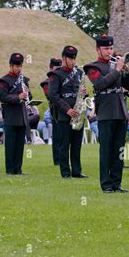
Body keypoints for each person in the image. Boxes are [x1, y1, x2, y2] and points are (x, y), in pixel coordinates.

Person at [84, 34, 129, 193]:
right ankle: (106, 184)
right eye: (106, 48)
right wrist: (118, 70)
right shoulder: (93, 67)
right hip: (105, 111)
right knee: (106, 149)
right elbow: (100, 84)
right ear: (98, 49)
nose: (109, 51)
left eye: (111, 48)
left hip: (120, 109)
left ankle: (116, 183)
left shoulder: (116, 64)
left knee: (119, 150)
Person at [48, 46, 88, 179]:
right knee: (64, 145)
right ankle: (65, 172)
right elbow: (53, 95)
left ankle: (77, 171)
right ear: (64, 58)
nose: (73, 61)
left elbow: (81, 91)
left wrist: (84, 93)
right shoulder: (56, 74)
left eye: (74, 58)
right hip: (65, 114)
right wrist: (67, 109)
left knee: (76, 145)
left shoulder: (79, 73)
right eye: (70, 58)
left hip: (78, 113)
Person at [0, 53, 31, 175]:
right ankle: (10, 170)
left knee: (20, 145)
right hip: (10, 116)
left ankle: (18, 169)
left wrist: (27, 94)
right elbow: (3, 97)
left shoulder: (24, 79)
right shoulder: (3, 81)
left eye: (20, 65)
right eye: (16, 66)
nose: (19, 68)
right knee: (10, 145)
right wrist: (18, 97)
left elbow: (29, 96)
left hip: (21, 116)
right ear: (10, 65)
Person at [41, 58, 62, 164]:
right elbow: (50, 96)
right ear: (51, 68)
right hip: (55, 111)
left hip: (64, 110)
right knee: (57, 135)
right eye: (56, 68)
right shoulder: (46, 83)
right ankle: (57, 160)